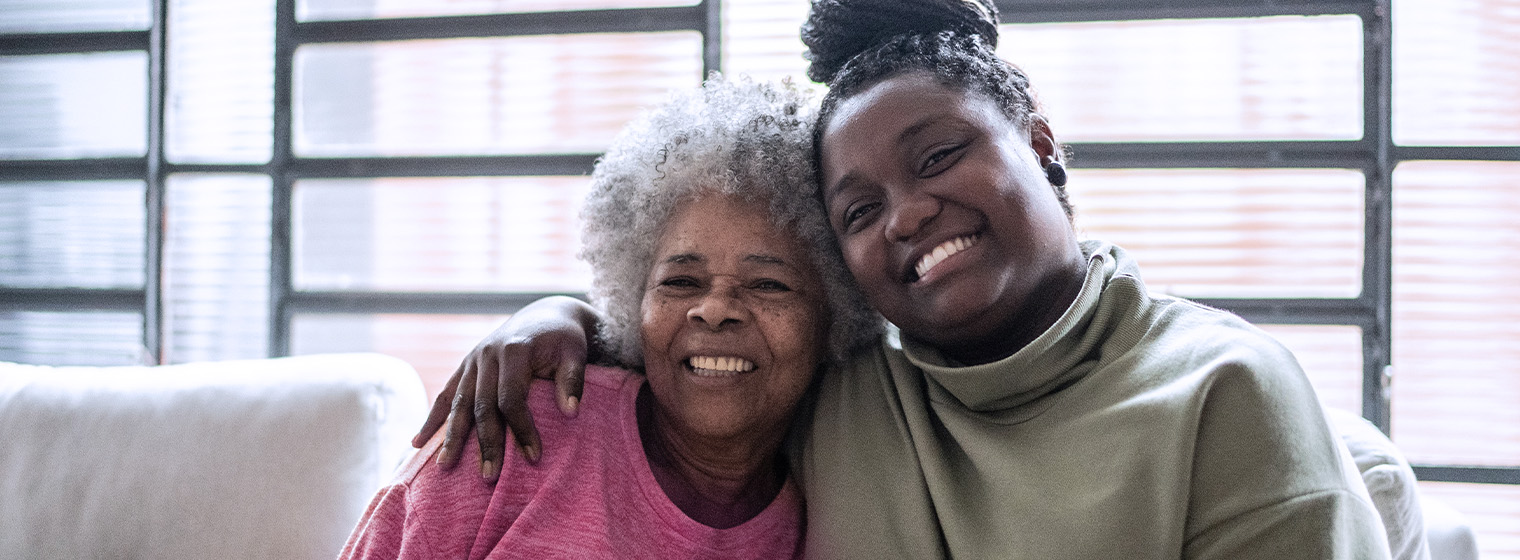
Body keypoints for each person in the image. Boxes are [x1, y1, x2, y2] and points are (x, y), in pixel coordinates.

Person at [417, 0, 1393, 558]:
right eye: (855, 210)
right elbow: (710, 330)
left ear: (1040, 143)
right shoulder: (851, 388)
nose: (906, 214)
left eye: (935, 158)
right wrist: (561, 317)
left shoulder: (1224, 390)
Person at [338, 75, 878, 560]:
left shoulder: (829, 512)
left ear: (835, 315)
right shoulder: (513, 427)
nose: (713, 309)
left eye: (768, 284)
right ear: (633, 302)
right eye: (679, 281)